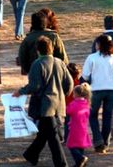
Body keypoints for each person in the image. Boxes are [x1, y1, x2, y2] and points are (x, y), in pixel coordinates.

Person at [13, 36, 73, 167]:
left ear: (38, 50)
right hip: (59, 104)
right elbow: (69, 83)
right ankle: (31, 154)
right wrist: (64, 94)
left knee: (52, 136)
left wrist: (20, 91)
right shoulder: (60, 62)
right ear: (51, 49)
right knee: (46, 133)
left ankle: (61, 164)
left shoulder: (37, 64)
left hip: (45, 106)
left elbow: (35, 86)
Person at [82, 34, 113, 154]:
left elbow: (85, 76)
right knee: (107, 116)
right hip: (112, 90)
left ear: (99, 44)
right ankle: (105, 143)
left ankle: (98, 141)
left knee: (92, 115)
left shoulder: (92, 58)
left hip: (96, 90)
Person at [66, 83, 92, 167]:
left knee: (71, 145)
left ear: (76, 94)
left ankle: (80, 158)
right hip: (83, 128)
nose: (72, 95)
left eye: (73, 93)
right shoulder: (86, 104)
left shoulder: (74, 104)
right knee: (81, 146)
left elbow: (68, 111)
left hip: (75, 128)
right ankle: (80, 163)